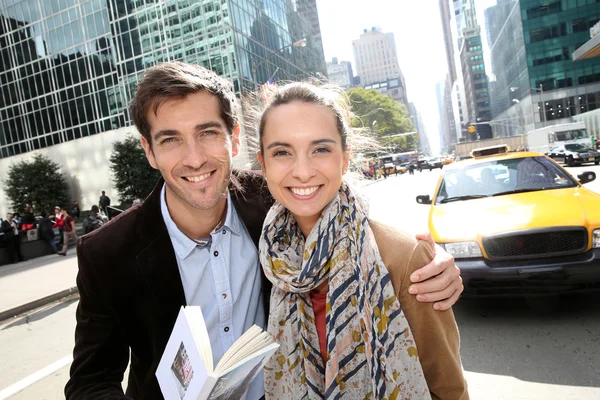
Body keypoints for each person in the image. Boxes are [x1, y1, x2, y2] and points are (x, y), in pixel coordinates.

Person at [65, 62, 463, 400]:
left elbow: (343, 220)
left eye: (207, 133)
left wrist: (431, 259)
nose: (194, 158)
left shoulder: (275, 205)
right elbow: (90, 381)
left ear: (233, 138)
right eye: (170, 140)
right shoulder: (108, 253)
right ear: (149, 150)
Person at [256, 82, 468, 399]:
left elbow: (447, 387)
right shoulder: (268, 257)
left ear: (345, 158)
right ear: (263, 164)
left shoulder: (402, 257)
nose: (302, 171)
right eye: (282, 152)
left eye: (321, 149)